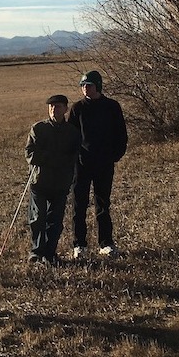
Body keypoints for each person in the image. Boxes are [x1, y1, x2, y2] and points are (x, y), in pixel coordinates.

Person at [68, 70, 128, 258]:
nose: (85, 88)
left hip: (104, 164)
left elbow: (121, 134)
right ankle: (79, 245)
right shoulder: (77, 108)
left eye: (89, 85)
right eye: (83, 85)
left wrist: (114, 156)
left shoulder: (112, 107)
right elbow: (71, 137)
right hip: (82, 164)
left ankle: (106, 243)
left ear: (98, 86)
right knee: (79, 205)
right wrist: (74, 158)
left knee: (103, 204)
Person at [25, 94, 81, 266]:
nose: (53, 110)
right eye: (51, 107)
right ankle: (36, 252)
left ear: (65, 109)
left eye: (57, 107)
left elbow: (74, 156)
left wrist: (56, 160)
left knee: (55, 221)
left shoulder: (72, 132)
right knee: (37, 218)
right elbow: (30, 154)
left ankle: (50, 253)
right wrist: (50, 157)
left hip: (61, 183)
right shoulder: (38, 128)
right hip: (40, 181)